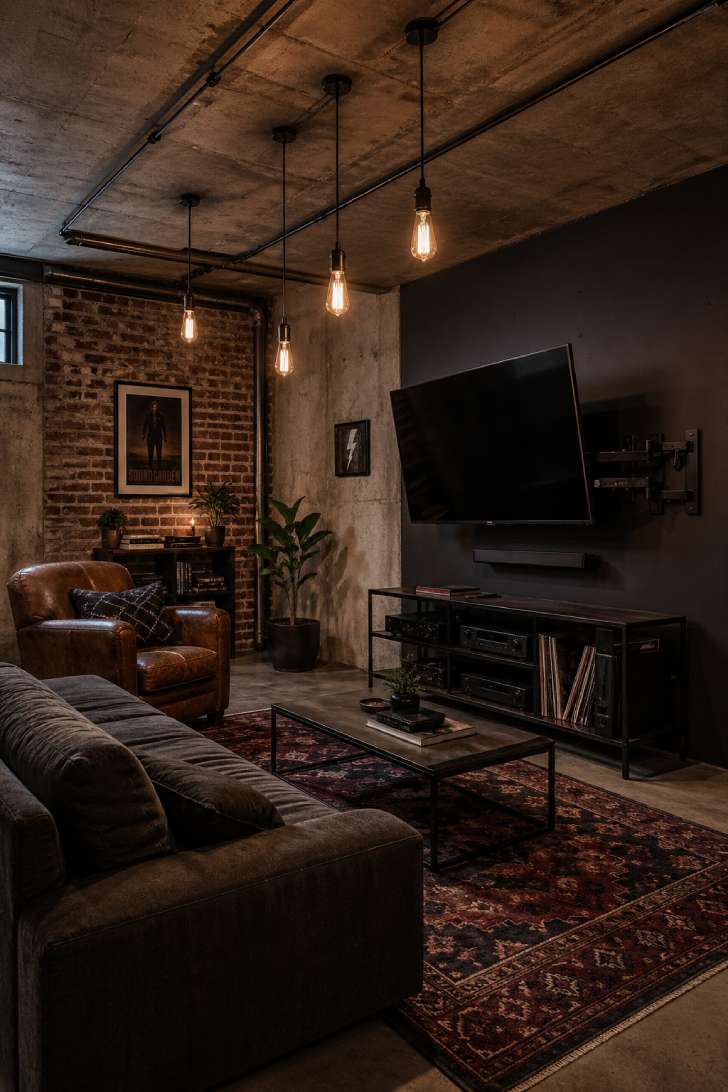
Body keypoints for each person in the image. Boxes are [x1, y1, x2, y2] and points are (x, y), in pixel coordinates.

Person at [142, 400, 166, 469]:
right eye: (153, 407)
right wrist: (143, 434)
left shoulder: (161, 416)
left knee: (159, 452)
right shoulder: (148, 415)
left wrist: (165, 436)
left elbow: (163, 426)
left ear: (157, 408)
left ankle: (159, 465)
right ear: (151, 408)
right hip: (150, 436)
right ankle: (150, 465)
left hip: (158, 436)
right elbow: (145, 425)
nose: (154, 408)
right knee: (150, 452)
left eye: (155, 407)